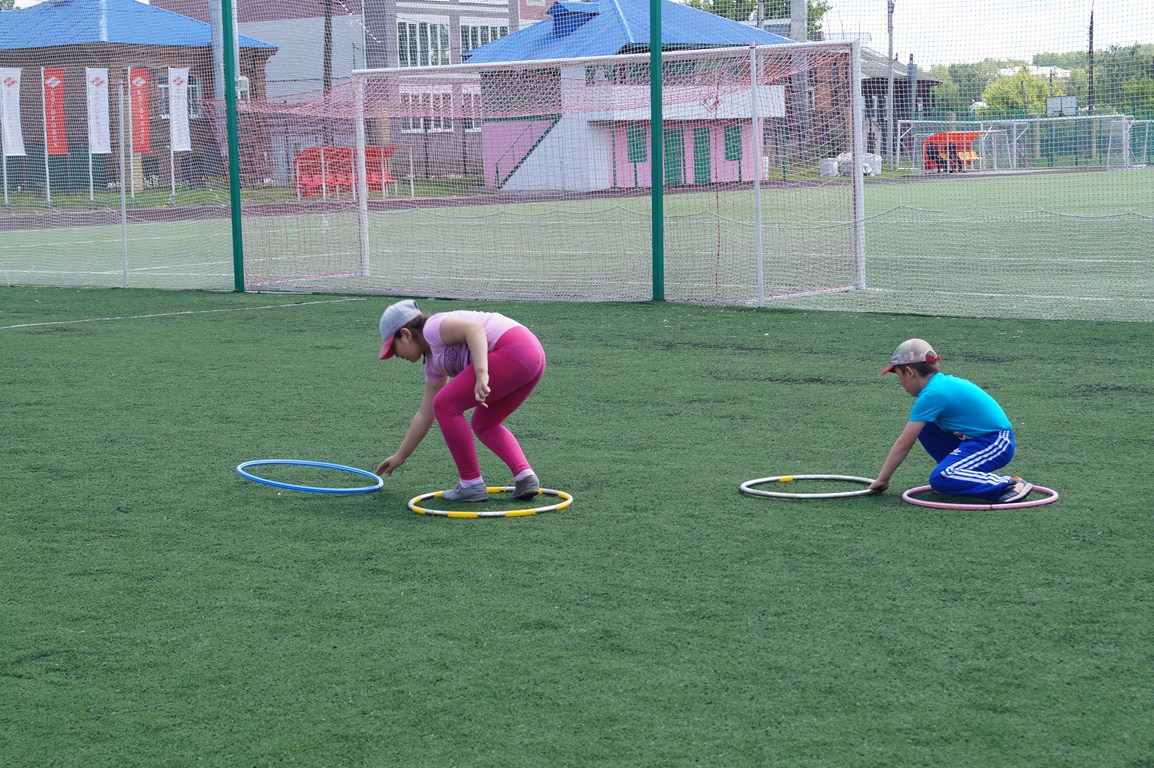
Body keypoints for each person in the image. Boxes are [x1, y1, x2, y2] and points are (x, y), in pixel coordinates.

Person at [374, 299, 545, 502]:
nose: (395, 355)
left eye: (394, 348)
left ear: (406, 334)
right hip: (532, 357)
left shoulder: (433, 328)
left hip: (515, 348)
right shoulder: (433, 364)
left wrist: (481, 373)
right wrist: (400, 455)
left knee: (445, 404)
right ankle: (525, 476)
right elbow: (425, 413)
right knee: (484, 423)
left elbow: (474, 330)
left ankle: (471, 483)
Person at [868, 338, 1033, 503]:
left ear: (910, 372)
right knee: (924, 426)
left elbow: (903, 444)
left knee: (940, 478)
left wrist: (883, 479)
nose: (901, 383)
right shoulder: (937, 386)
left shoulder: (932, 394)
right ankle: (956, 477)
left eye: (899, 377)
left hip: (996, 441)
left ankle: (1010, 484)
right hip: (974, 441)